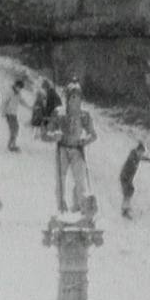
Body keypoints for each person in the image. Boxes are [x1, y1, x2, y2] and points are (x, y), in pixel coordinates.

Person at [43, 81, 97, 214]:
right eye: (71, 96)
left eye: (77, 96)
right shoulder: (59, 113)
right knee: (60, 179)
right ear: (67, 98)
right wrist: (54, 136)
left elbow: (93, 134)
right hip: (62, 149)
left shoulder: (84, 115)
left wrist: (86, 140)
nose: (74, 100)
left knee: (80, 180)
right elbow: (45, 133)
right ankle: (61, 206)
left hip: (77, 150)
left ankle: (82, 206)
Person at [119, 142, 150, 220]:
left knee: (130, 190)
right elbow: (131, 160)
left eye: (142, 153)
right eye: (141, 152)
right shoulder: (133, 155)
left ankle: (126, 208)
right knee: (128, 192)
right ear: (138, 150)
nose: (141, 154)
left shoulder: (137, 155)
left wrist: (148, 159)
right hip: (125, 177)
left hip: (128, 178)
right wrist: (134, 163)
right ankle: (125, 210)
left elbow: (141, 158)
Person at [2, 80, 28, 152]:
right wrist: (3, 112)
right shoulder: (10, 92)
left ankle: (12, 144)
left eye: (21, 88)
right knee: (14, 129)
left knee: (16, 128)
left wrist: (29, 107)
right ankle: (11, 145)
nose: (20, 89)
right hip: (9, 113)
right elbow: (4, 102)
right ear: (16, 86)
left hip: (14, 114)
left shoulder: (18, 94)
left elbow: (22, 101)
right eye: (19, 87)